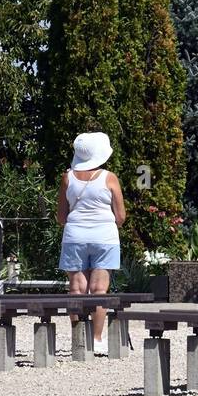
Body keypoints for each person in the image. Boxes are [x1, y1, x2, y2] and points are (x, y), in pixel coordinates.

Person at [57, 131, 126, 355]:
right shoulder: (109, 178)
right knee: (99, 290)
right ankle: (96, 339)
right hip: (104, 236)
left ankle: (78, 339)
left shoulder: (67, 177)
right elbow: (121, 216)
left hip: (75, 235)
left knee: (76, 289)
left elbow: (61, 217)